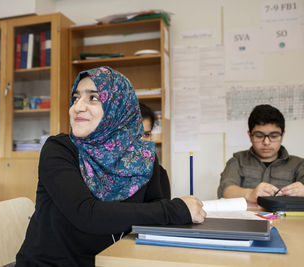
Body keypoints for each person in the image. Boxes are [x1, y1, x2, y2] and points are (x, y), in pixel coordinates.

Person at [16, 66, 205, 267]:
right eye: (75, 98)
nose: (77, 107)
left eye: (93, 98)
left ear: (119, 107)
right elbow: (86, 214)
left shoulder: (142, 158)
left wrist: (173, 210)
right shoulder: (59, 149)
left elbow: (154, 219)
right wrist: (175, 209)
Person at [218, 104, 304, 203]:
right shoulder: (237, 160)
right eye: (259, 136)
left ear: (282, 135)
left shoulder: (298, 164)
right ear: (250, 136)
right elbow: (225, 190)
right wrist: (249, 194)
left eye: (274, 136)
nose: (266, 142)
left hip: (285, 218)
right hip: (247, 217)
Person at [139, 102, 170, 199]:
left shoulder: (160, 174)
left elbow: (164, 211)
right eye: (135, 134)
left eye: (146, 135)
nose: (141, 141)